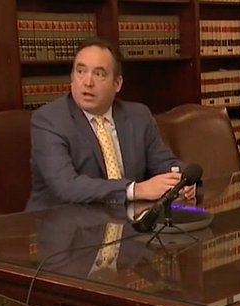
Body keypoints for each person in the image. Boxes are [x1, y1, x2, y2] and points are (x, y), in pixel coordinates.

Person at [26, 37, 196, 210]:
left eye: (99, 74)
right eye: (80, 71)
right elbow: (67, 185)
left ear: (117, 84)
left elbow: (164, 162)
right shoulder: (49, 120)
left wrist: (182, 181)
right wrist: (135, 190)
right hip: (62, 226)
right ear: (72, 77)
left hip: (126, 223)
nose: (87, 82)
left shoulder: (138, 116)